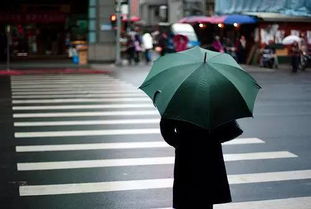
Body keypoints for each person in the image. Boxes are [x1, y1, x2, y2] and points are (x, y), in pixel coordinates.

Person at [160, 118, 243, 209]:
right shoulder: (212, 104)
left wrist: (180, 143)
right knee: (206, 197)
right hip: (208, 155)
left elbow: (166, 129)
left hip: (186, 155)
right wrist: (212, 139)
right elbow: (230, 130)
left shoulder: (178, 106)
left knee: (186, 196)